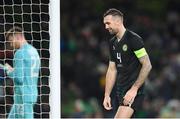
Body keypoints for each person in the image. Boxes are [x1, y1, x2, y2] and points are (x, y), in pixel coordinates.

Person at [102, 8, 152, 118]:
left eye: (108, 23)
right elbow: (112, 69)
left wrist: (134, 89)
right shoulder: (112, 43)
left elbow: (147, 65)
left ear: (118, 22)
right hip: (120, 91)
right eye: (105, 24)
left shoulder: (133, 39)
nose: (106, 27)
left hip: (133, 92)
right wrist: (107, 95)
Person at [3, 26, 40, 118]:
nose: (11, 45)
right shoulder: (34, 51)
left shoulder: (19, 53)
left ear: (18, 37)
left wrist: (8, 70)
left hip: (23, 96)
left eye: (11, 41)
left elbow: (19, 79)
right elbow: (26, 72)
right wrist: (14, 70)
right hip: (31, 93)